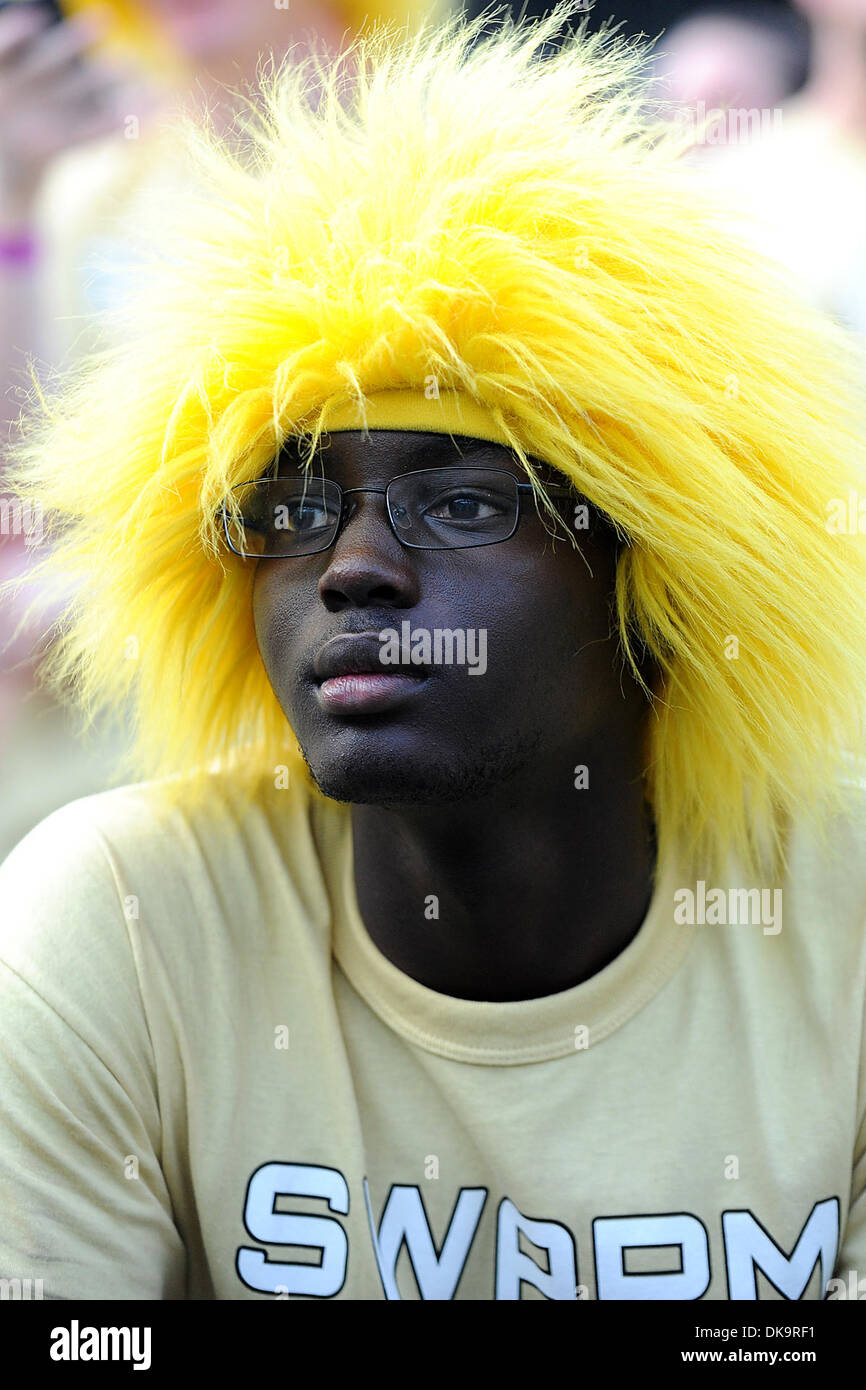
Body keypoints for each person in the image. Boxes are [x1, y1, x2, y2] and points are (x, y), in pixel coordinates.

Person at [1, 0, 866, 1302]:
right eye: (290, 510)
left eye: (461, 503)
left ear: (655, 568)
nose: (349, 567)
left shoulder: (839, 909)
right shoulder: (118, 913)